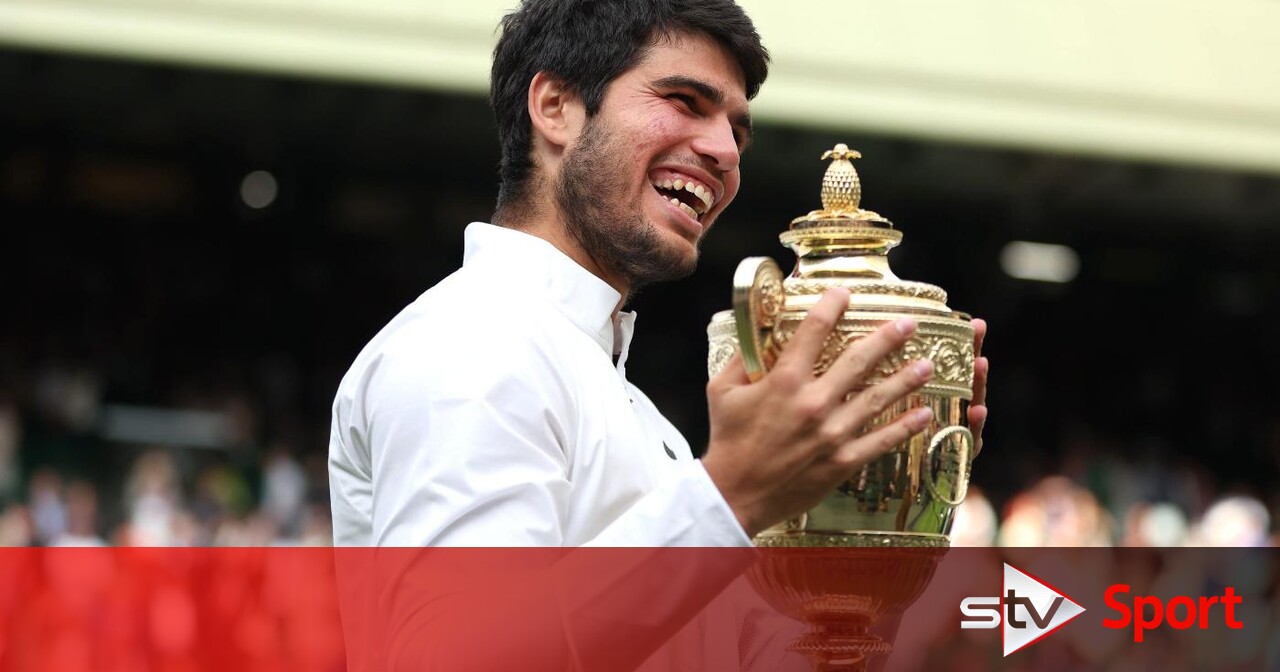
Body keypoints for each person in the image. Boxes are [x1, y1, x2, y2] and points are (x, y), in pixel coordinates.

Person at [328, 0, 987, 554]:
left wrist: (882, 500)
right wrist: (733, 492)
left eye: (736, 131)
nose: (726, 153)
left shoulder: (631, 410)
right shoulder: (471, 346)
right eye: (684, 101)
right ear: (556, 106)